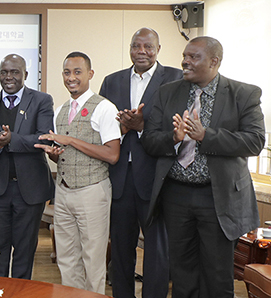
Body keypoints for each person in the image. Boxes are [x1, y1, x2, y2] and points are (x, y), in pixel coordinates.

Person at [140, 36, 264, 298]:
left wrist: (206, 136)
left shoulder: (244, 94)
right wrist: (173, 138)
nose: (185, 61)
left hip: (218, 197)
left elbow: (255, 141)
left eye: (193, 57)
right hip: (176, 195)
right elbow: (149, 140)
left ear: (214, 61)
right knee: (182, 274)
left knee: (217, 277)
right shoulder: (167, 92)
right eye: (185, 55)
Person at [98, 28, 182, 298]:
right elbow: (101, 126)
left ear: (158, 48)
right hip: (120, 175)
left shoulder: (175, 79)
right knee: (121, 247)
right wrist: (122, 127)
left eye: (148, 46)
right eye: (136, 46)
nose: (142, 51)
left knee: (157, 249)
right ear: (130, 48)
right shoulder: (111, 82)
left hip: (156, 177)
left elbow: (176, 125)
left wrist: (142, 127)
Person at [35, 51, 120, 294]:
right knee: (66, 258)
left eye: (77, 72)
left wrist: (70, 141)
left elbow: (112, 155)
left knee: (93, 259)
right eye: (66, 72)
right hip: (63, 192)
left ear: (90, 74)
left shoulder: (104, 107)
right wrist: (53, 153)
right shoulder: (60, 109)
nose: (71, 77)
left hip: (92, 191)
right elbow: (63, 150)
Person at [0, 54, 54, 279]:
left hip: (30, 190)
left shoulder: (41, 100)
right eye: (4, 72)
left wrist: (12, 140)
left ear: (25, 75)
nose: (8, 77)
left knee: (24, 252)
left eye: (14, 72)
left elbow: (45, 138)